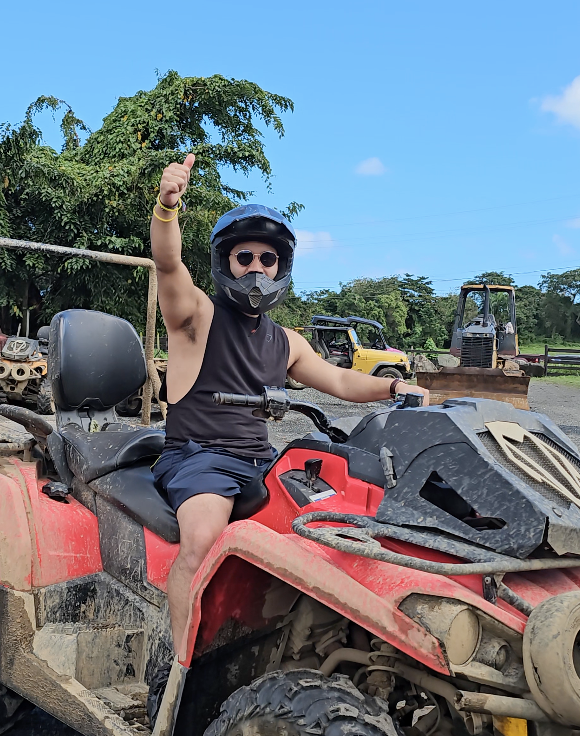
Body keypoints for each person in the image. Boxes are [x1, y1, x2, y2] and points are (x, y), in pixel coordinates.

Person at [150, 153, 428, 650]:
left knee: (337, 523)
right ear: (224, 263)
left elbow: (342, 382)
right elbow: (168, 263)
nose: (256, 269)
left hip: (259, 461)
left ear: (282, 267)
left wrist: (393, 389)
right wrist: (167, 207)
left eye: (267, 259)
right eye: (245, 258)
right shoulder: (196, 316)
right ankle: (176, 667)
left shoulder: (287, 341)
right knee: (201, 540)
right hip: (199, 459)